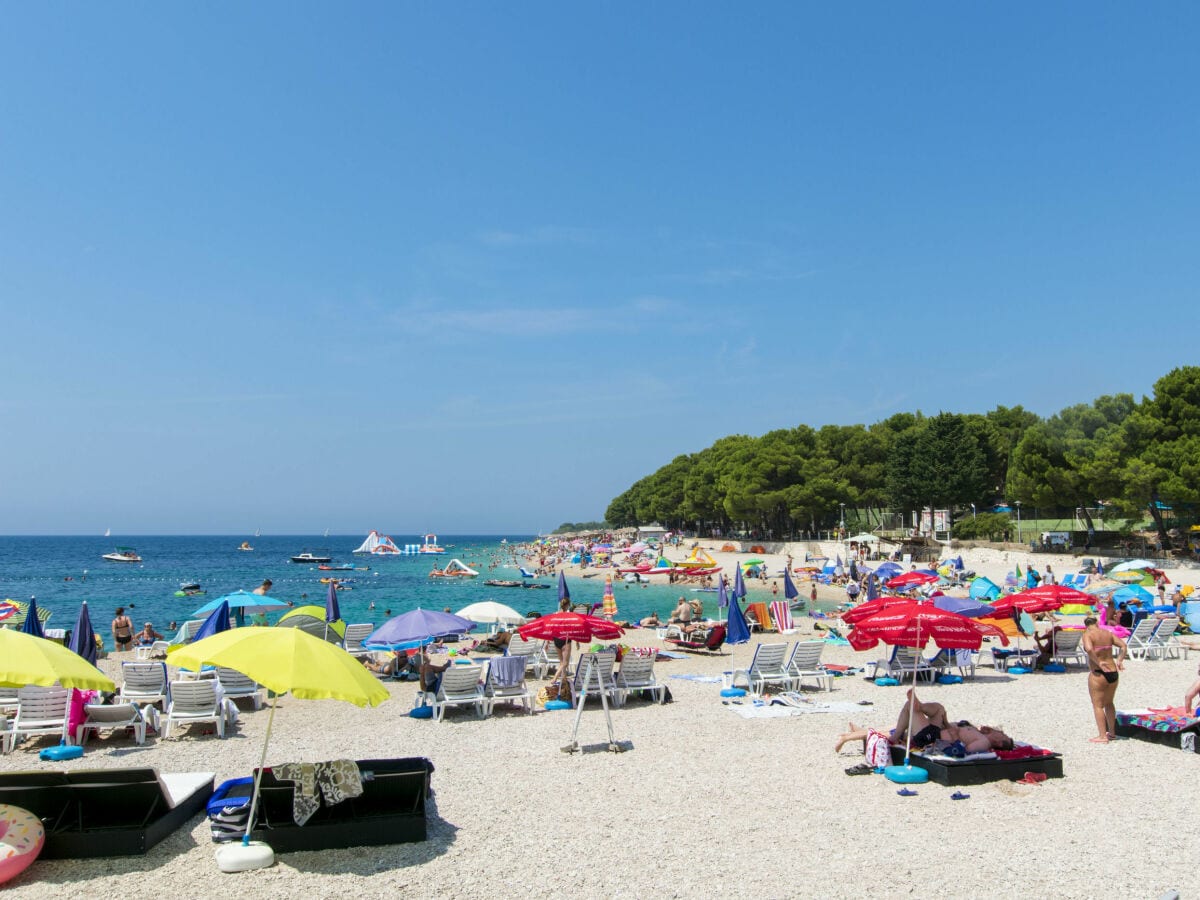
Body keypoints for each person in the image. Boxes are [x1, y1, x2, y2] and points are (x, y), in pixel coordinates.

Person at [1082, 615, 1128, 743]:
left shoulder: (1087, 635)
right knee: (1109, 703)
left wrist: (1098, 662)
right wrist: (1119, 660)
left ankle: (1102, 736)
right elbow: (1123, 646)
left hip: (1099, 673)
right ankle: (1112, 733)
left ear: (1086, 625)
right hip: (1113, 671)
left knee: (1097, 705)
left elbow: (1089, 649)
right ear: (1097, 623)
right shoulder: (1107, 633)